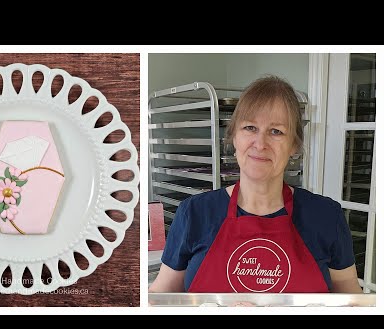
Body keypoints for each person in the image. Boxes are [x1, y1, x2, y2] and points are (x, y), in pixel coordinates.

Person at [149, 75, 362, 294]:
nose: (260, 144)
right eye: (250, 128)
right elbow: (159, 297)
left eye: (276, 131)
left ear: (294, 146)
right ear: (233, 137)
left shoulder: (326, 216)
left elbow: (350, 299)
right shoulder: (193, 214)